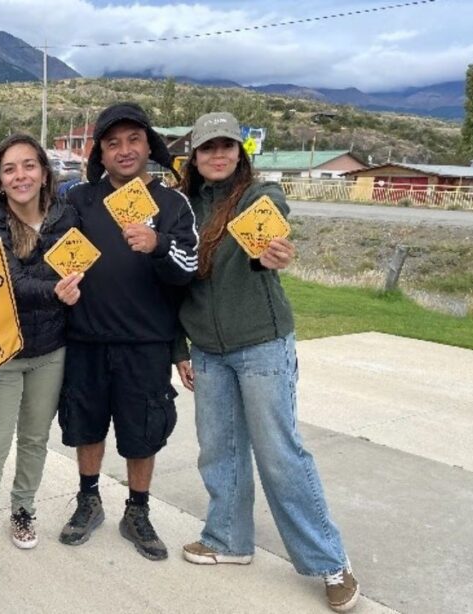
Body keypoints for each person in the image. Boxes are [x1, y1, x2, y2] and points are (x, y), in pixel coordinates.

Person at [173, 112, 359, 612]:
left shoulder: (259, 196)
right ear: (194, 154)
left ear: (240, 153)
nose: (218, 155)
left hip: (261, 345)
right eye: (208, 147)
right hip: (207, 352)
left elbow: (272, 219)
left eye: (227, 147)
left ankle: (330, 563)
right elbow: (169, 286)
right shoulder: (183, 209)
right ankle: (228, 539)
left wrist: (270, 252)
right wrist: (179, 350)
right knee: (219, 450)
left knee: (279, 454)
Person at [58, 102, 197, 561]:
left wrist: (157, 245)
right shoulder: (80, 199)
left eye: (133, 140)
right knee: (86, 426)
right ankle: (88, 499)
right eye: (113, 142)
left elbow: (188, 272)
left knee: (142, 433)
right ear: (100, 150)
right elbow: (57, 253)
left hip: (145, 343)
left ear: (147, 145)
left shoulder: (172, 204)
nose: (124, 150)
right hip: (85, 339)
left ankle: (137, 510)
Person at [0, 134, 82, 579]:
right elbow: (6, 282)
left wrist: (65, 288)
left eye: (28, 166)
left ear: (44, 171)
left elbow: (77, 267)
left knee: (35, 440)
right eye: (9, 168)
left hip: (51, 350)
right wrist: (55, 290)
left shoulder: (65, 217)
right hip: (2, 353)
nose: (20, 176)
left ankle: (24, 509)